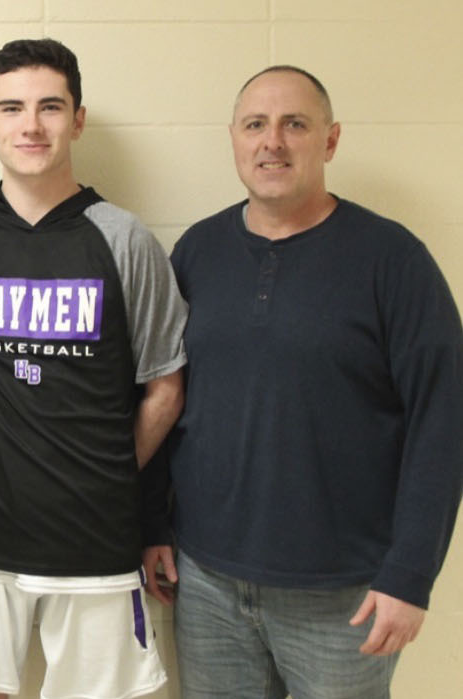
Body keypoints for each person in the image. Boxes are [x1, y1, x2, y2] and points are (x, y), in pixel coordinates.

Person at [145, 65, 463, 698]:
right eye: (255, 125)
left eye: (295, 124)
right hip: (207, 583)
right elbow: (164, 392)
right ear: (233, 139)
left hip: (343, 597)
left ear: (331, 140)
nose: (273, 142)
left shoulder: (393, 261)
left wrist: (409, 575)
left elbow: (444, 420)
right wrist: (153, 522)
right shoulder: (197, 252)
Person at [0, 38, 187, 699]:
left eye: (49, 107)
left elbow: (164, 385)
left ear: (78, 118)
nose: (30, 125)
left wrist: (102, 467)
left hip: (94, 540)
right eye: (11, 107)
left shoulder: (124, 240)